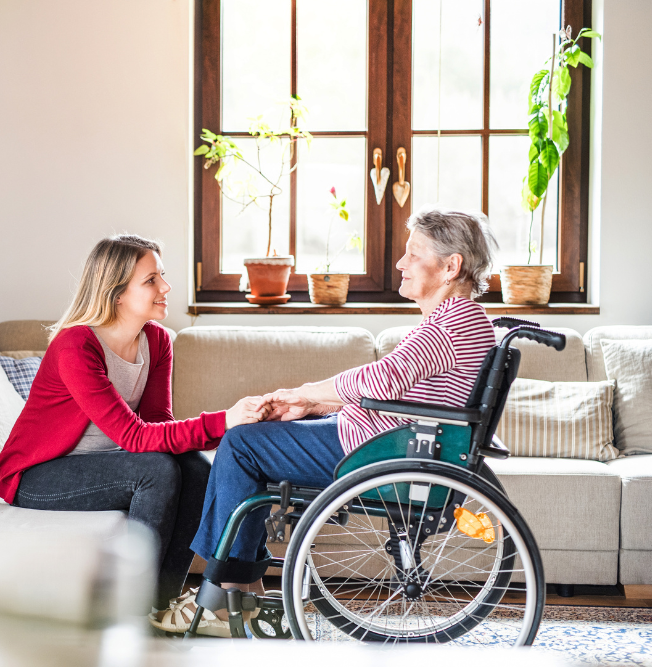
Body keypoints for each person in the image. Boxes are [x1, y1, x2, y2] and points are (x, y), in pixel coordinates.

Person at [153, 205, 500, 636]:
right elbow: (395, 397)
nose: (400, 263)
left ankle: (223, 597)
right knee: (255, 437)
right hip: (388, 441)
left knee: (241, 444)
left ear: (450, 267)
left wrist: (306, 393)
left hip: (382, 452)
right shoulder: (457, 322)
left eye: (413, 254)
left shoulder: (449, 325)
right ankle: (244, 595)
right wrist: (314, 407)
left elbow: (381, 380)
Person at [0, 234, 268, 615]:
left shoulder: (157, 341)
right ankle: (133, 609)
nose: (165, 287)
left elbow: (158, 426)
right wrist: (225, 421)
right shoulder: (76, 346)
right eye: (151, 280)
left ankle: (160, 606)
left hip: (104, 463)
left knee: (195, 468)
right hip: (36, 475)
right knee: (155, 471)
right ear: (117, 293)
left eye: (162, 276)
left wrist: (227, 432)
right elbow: (134, 437)